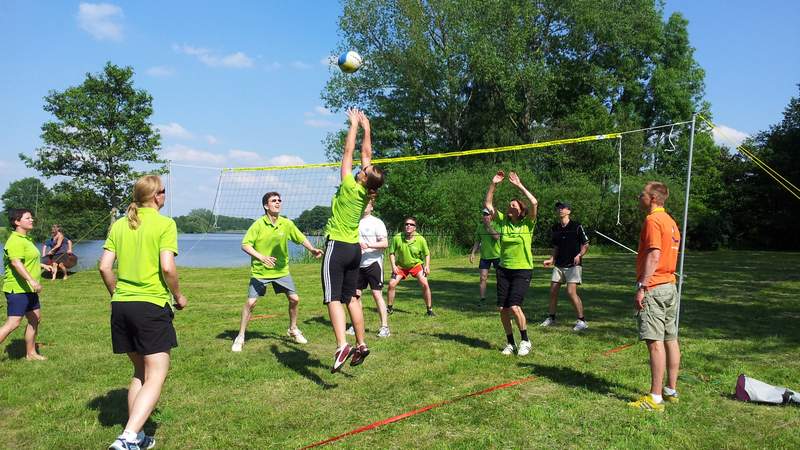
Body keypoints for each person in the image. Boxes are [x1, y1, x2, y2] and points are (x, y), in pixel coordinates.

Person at [99, 175, 188, 449]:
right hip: (150, 307)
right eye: (163, 191)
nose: (165, 196)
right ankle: (127, 437)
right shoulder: (165, 224)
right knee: (157, 373)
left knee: (140, 370)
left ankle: (135, 434)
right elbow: (168, 268)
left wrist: (117, 294)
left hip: (121, 306)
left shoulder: (119, 225)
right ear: (155, 196)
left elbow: (104, 267)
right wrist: (178, 295)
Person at [321, 108, 385, 373]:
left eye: (365, 168)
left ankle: (341, 344)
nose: (363, 164)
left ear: (362, 176)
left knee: (332, 299)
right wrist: (367, 128)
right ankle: (361, 343)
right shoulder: (366, 191)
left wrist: (354, 126)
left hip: (337, 246)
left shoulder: (349, 184)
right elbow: (366, 155)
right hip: (354, 250)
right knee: (352, 299)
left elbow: (348, 153)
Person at [231, 191, 323, 352]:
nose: (278, 202)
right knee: (251, 303)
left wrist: (312, 249)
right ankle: (240, 336)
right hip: (260, 272)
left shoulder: (286, 223)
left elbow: (300, 238)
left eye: (279, 200)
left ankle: (293, 329)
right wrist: (261, 257)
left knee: (294, 299)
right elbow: (245, 245)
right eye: (274, 200)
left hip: (281, 271)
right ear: (266, 206)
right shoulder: (258, 224)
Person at [628, 181, 682, 412]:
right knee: (671, 338)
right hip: (670, 286)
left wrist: (642, 285)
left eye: (642, 194)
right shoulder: (671, 222)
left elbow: (654, 254)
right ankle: (671, 390)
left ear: (652, 199)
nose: (639, 197)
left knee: (655, 342)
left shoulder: (652, 220)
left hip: (656, 286)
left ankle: (655, 397)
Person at [484, 170, 538, 356]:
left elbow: (534, 203)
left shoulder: (528, 224)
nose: (510, 206)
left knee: (515, 306)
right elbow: (488, 204)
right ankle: (510, 343)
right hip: (504, 269)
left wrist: (519, 185)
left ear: (520, 210)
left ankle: (525, 341)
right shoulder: (504, 222)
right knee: (502, 308)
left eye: (513, 204)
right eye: (509, 204)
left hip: (522, 270)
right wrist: (494, 184)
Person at [0, 208, 46, 361]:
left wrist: (43, 266)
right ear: (16, 222)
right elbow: (16, 263)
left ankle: (31, 353)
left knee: (35, 319)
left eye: (31, 217)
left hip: (28, 290)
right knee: (13, 323)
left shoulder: (26, 239)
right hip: (18, 289)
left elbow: (28, 260)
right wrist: (32, 280)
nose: (32, 220)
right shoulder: (15, 240)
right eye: (28, 218)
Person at [541, 201, 589, 331]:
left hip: (573, 265)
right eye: (558, 208)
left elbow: (585, 244)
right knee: (553, 291)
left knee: (570, 292)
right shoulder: (555, 228)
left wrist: (579, 255)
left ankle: (582, 320)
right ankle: (551, 318)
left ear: (569, 211)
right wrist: (552, 259)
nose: (560, 210)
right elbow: (556, 246)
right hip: (559, 264)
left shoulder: (577, 226)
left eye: (563, 208)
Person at [346, 200, 391, 337]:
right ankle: (356, 325)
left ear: (371, 206)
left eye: (367, 203)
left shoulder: (377, 222)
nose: (364, 205)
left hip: (373, 263)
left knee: (377, 294)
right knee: (355, 295)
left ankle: (384, 327)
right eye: (362, 202)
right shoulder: (353, 221)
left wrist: (368, 245)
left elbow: (385, 243)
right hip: (357, 264)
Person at [386, 216, 433, 316]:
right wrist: (393, 266)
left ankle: (429, 310)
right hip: (401, 266)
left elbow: (427, 253)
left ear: (415, 228)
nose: (408, 226)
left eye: (411, 224)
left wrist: (427, 266)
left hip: (416, 265)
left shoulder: (420, 239)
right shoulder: (397, 237)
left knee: (425, 284)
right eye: (406, 224)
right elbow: (391, 253)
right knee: (391, 284)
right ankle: (389, 308)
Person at [469, 207, 501, 304]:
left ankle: (501, 298)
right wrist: (473, 253)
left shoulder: (497, 224)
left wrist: (488, 227)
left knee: (500, 278)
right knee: (483, 277)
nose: (485, 216)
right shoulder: (479, 227)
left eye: (487, 214)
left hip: (497, 255)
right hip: (485, 257)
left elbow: (496, 237)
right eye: (484, 214)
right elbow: (477, 241)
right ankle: (482, 298)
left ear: (491, 216)